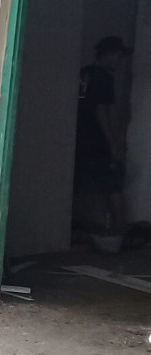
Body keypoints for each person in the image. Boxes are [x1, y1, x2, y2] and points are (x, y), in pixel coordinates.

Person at [75, 36, 132, 233]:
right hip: (97, 141)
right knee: (113, 186)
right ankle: (119, 232)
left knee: (77, 185)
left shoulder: (84, 73)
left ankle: (75, 229)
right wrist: (114, 143)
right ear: (107, 54)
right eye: (117, 56)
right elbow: (102, 112)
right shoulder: (105, 77)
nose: (119, 61)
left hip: (78, 138)